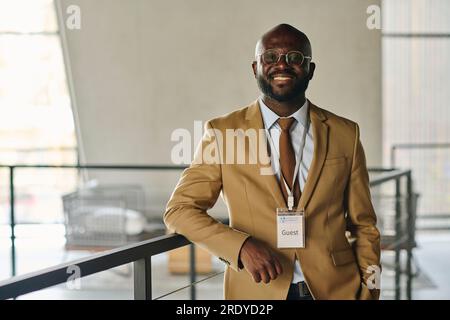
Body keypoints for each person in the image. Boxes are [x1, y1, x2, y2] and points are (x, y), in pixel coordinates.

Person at [164, 24, 381, 300]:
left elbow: (364, 226)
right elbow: (179, 210)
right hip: (256, 291)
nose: (282, 64)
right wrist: (240, 247)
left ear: (310, 70)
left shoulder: (346, 133)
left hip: (337, 290)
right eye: (270, 57)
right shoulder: (221, 133)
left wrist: (371, 291)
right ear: (255, 68)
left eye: (294, 57)